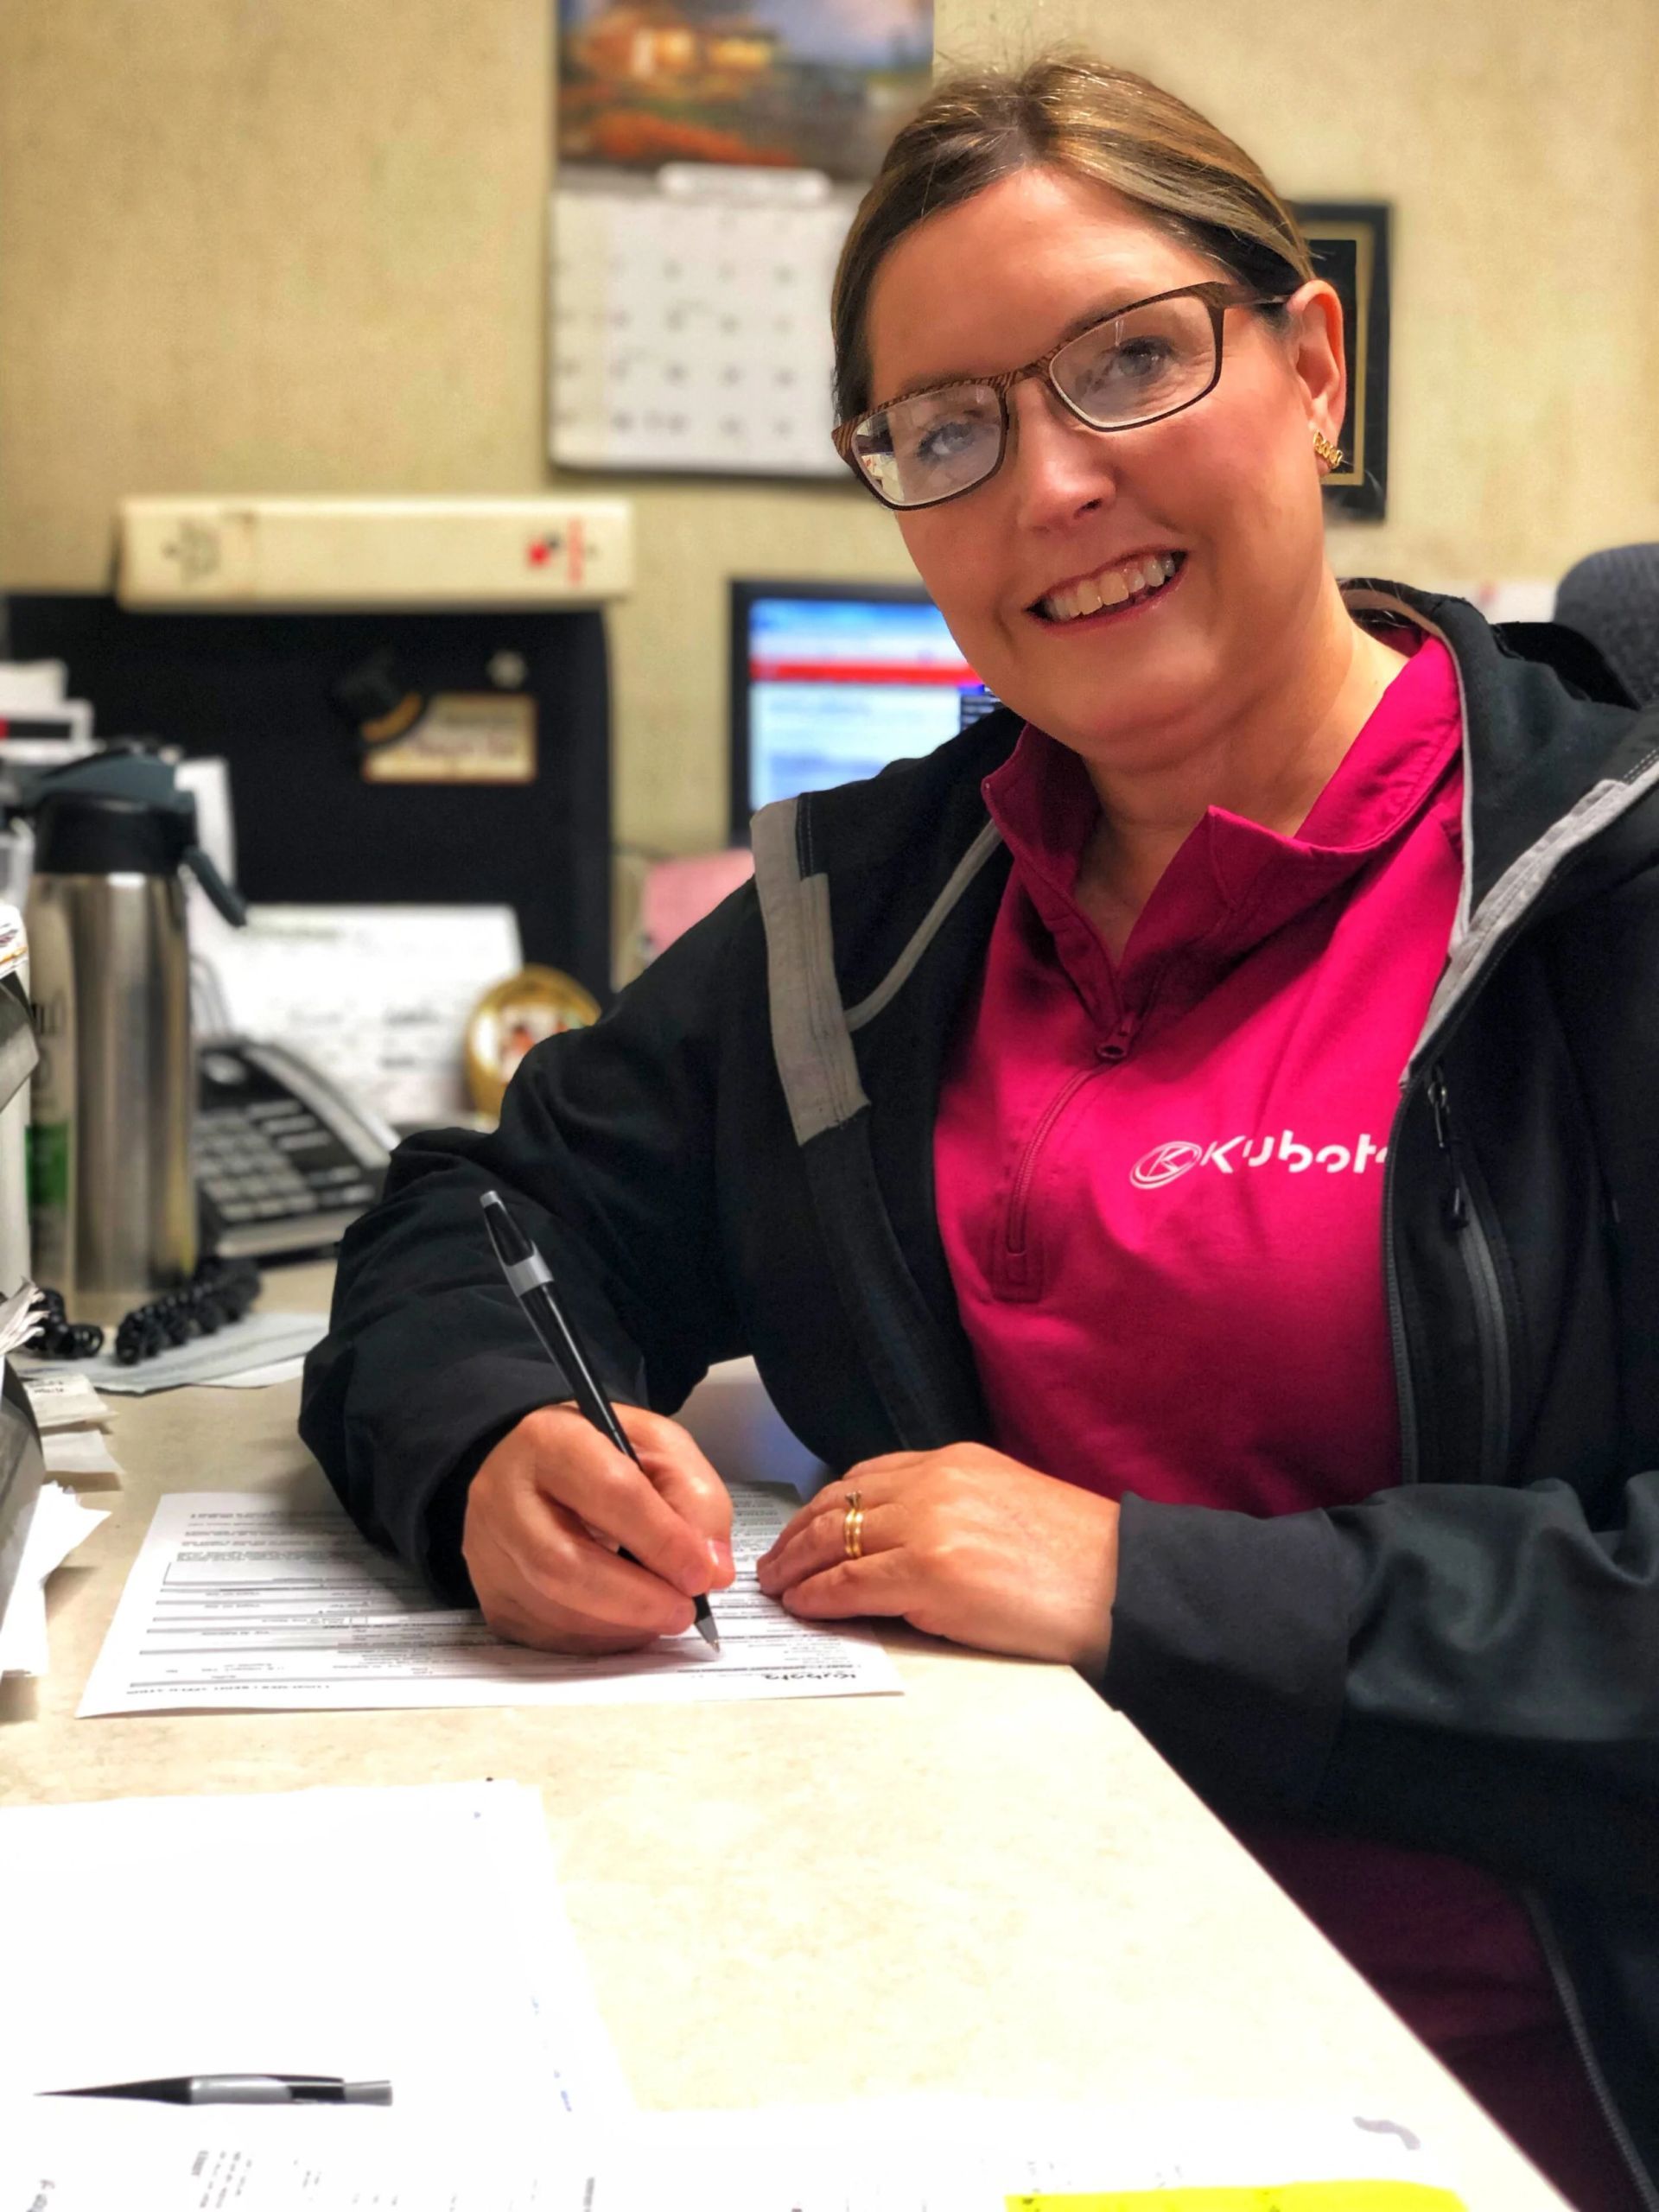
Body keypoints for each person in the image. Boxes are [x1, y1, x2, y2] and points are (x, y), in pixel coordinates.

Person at [302, 55, 1659, 2211]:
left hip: (1481, 2096)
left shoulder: (1604, 882)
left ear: (1316, 366)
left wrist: (1142, 1580)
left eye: (1128, 362)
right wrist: (493, 1445)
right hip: (941, 2009)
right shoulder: (861, 925)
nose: (1052, 485)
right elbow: (486, 1208)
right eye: (946, 430)